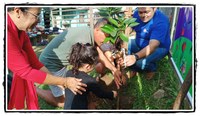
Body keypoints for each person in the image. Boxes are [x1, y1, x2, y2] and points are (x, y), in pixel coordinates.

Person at [7, 7, 87, 110]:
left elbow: (35, 63)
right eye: (37, 15)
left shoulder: (22, 33)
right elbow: (27, 72)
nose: (39, 20)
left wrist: (59, 82)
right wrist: (64, 81)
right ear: (18, 11)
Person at [38, 18, 122, 108]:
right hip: (50, 64)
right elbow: (98, 55)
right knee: (65, 101)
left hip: (59, 63)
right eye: (106, 35)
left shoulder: (88, 33)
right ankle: (35, 89)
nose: (107, 41)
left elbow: (98, 52)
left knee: (76, 93)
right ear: (97, 30)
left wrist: (114, 69)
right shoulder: (84, 40)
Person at [121, 7, 171, 79]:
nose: (143, 15)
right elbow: (130, 28)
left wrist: (135, 56)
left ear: (154, 8)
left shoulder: (161, 21)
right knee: (125, 45)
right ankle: (133, 67)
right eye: (140, 12)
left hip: (159, 47)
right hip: (141, 42)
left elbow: (153, 46)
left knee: (140, 63)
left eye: (146, 12)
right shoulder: (136, 14)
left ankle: (151, 68)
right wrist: (126, 21)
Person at [64, 42, 117, 109]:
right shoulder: (90, 81)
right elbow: (101, 94)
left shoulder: (68, 73)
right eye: (95, 64)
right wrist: (112, 94)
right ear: (88, 66)